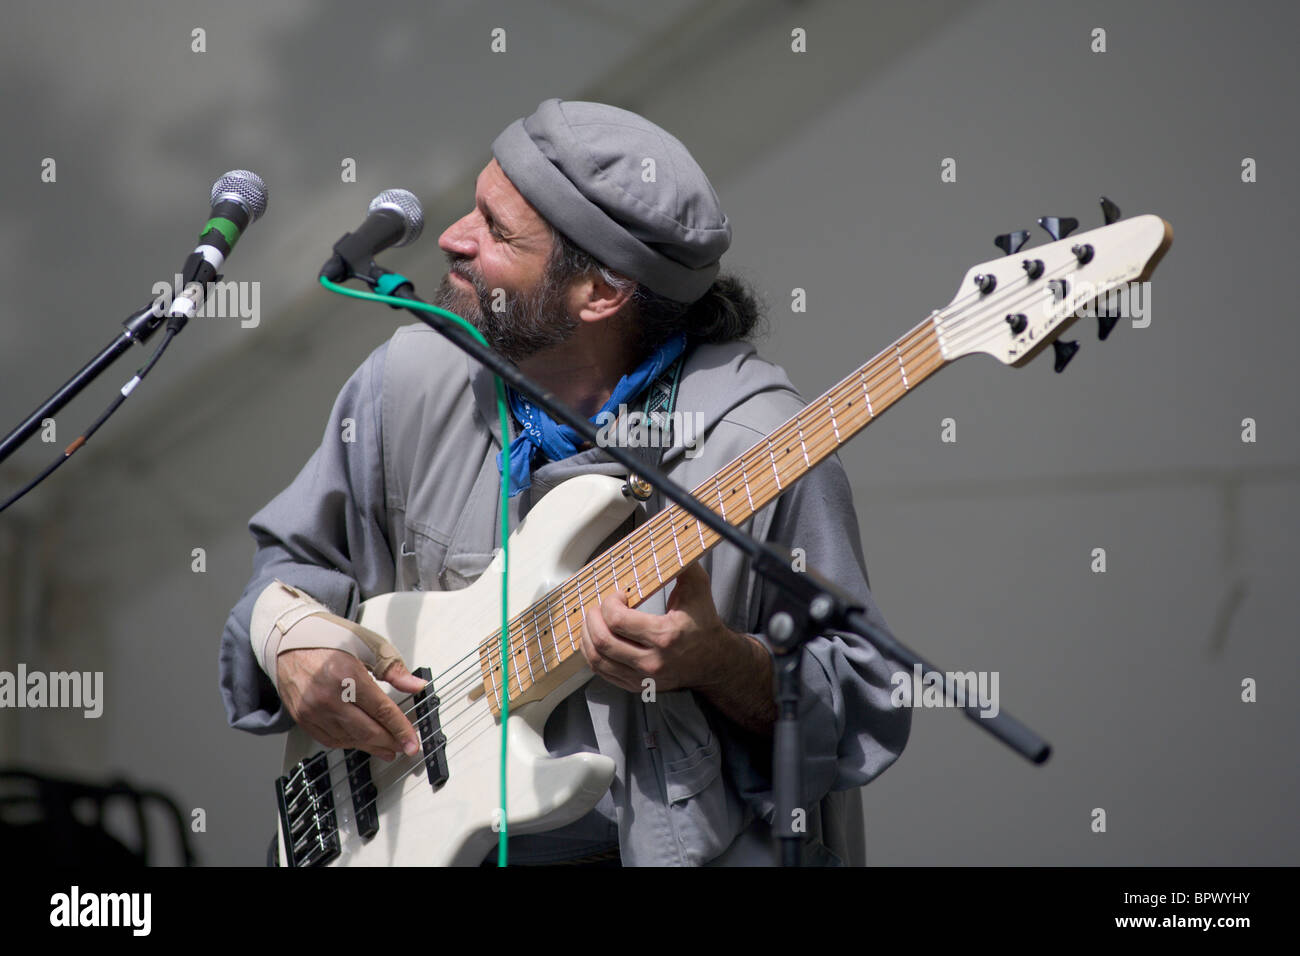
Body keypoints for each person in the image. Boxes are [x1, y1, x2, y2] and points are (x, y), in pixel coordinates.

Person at [219, 98, 910, 866]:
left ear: (602, 293)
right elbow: (292, 567)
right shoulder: (404, 383)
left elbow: (867, 702)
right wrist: (291, 641)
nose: (452, 237)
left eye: (495, 228)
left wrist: (721, 663)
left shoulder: (761, 442)